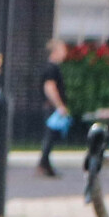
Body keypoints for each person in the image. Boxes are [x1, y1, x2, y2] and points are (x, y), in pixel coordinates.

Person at [37, 37, 72, 177]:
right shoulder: (52, 68)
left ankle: (45, 164)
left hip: (51, 107)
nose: (65, 53)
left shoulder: (52, 67)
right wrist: (59, 106)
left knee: (51, 136)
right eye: (63, 50)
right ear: (55, 51)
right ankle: (43, 164)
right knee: (50, 136)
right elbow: (49, 87)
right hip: (52, 108)